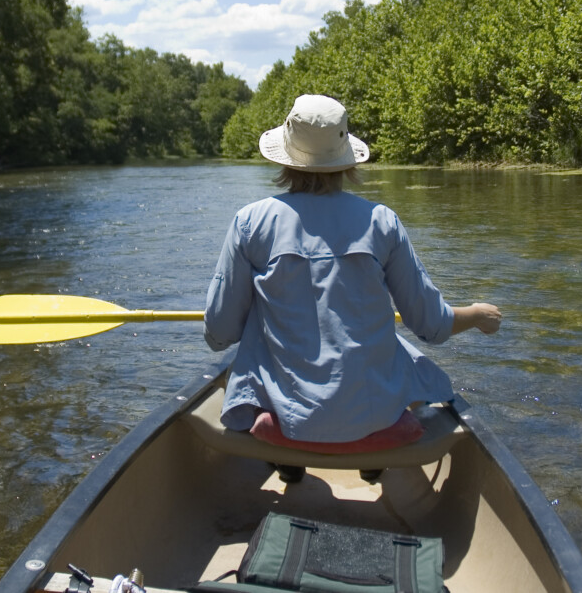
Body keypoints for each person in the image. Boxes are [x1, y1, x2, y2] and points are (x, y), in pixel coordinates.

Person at [203, 94, 502, 478]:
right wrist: (477, 314)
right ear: (345, 160)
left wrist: (256, 308)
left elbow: (219, 333)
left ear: (284, 158)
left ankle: (289, 465)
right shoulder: (382, 222)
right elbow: (432, 326)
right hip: (374, 423)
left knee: (258, 330)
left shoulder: (250, 223)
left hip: (285, 423)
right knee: (398, 350)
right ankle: (371, 461)